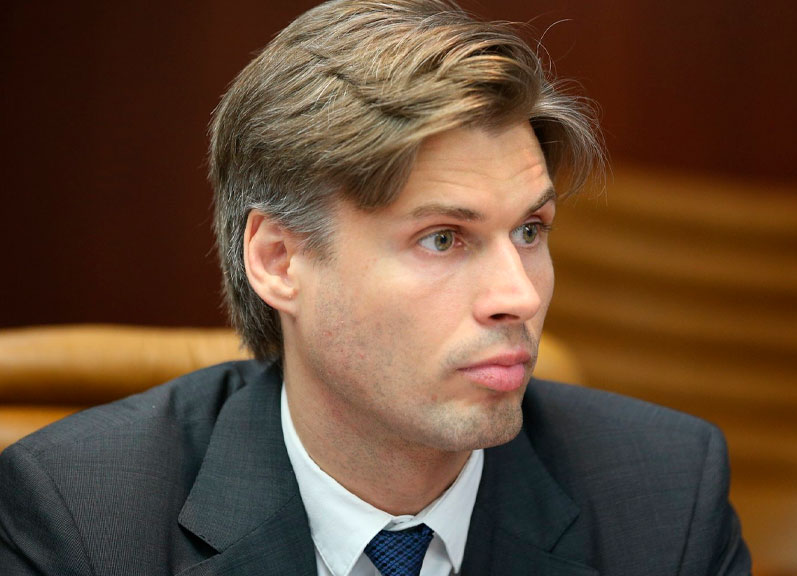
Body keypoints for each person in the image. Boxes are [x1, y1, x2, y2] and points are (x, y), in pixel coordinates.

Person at [0, 1, 751, 574]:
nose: (519, 296)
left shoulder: (665, 498)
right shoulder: (83, 520)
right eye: (443, 238)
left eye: (529, 230)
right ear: (279, 261)